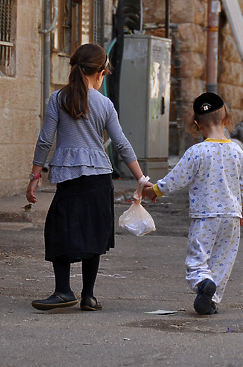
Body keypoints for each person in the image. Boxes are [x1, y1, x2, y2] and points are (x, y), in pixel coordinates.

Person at [27, 43, 151, 312]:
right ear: (100, 72)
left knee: (60, 229)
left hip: (69, 178)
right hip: (98, 178)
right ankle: (88, 296)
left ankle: (63, 291)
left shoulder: (57, 98)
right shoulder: (104, 103)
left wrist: (34, 177)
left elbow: (45, 141)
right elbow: (121, 144)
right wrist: (141, 179)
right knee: (94, 232)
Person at [142, 92, 243, 315]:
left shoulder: (196, 152)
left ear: (197, 124)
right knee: (223, 259)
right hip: (232, 217)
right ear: (226, 119)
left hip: (205, 217)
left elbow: (176, 178)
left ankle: (203, 284)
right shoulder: (237, 151)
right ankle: (211, 300)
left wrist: (154, 190)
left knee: (197, 259)